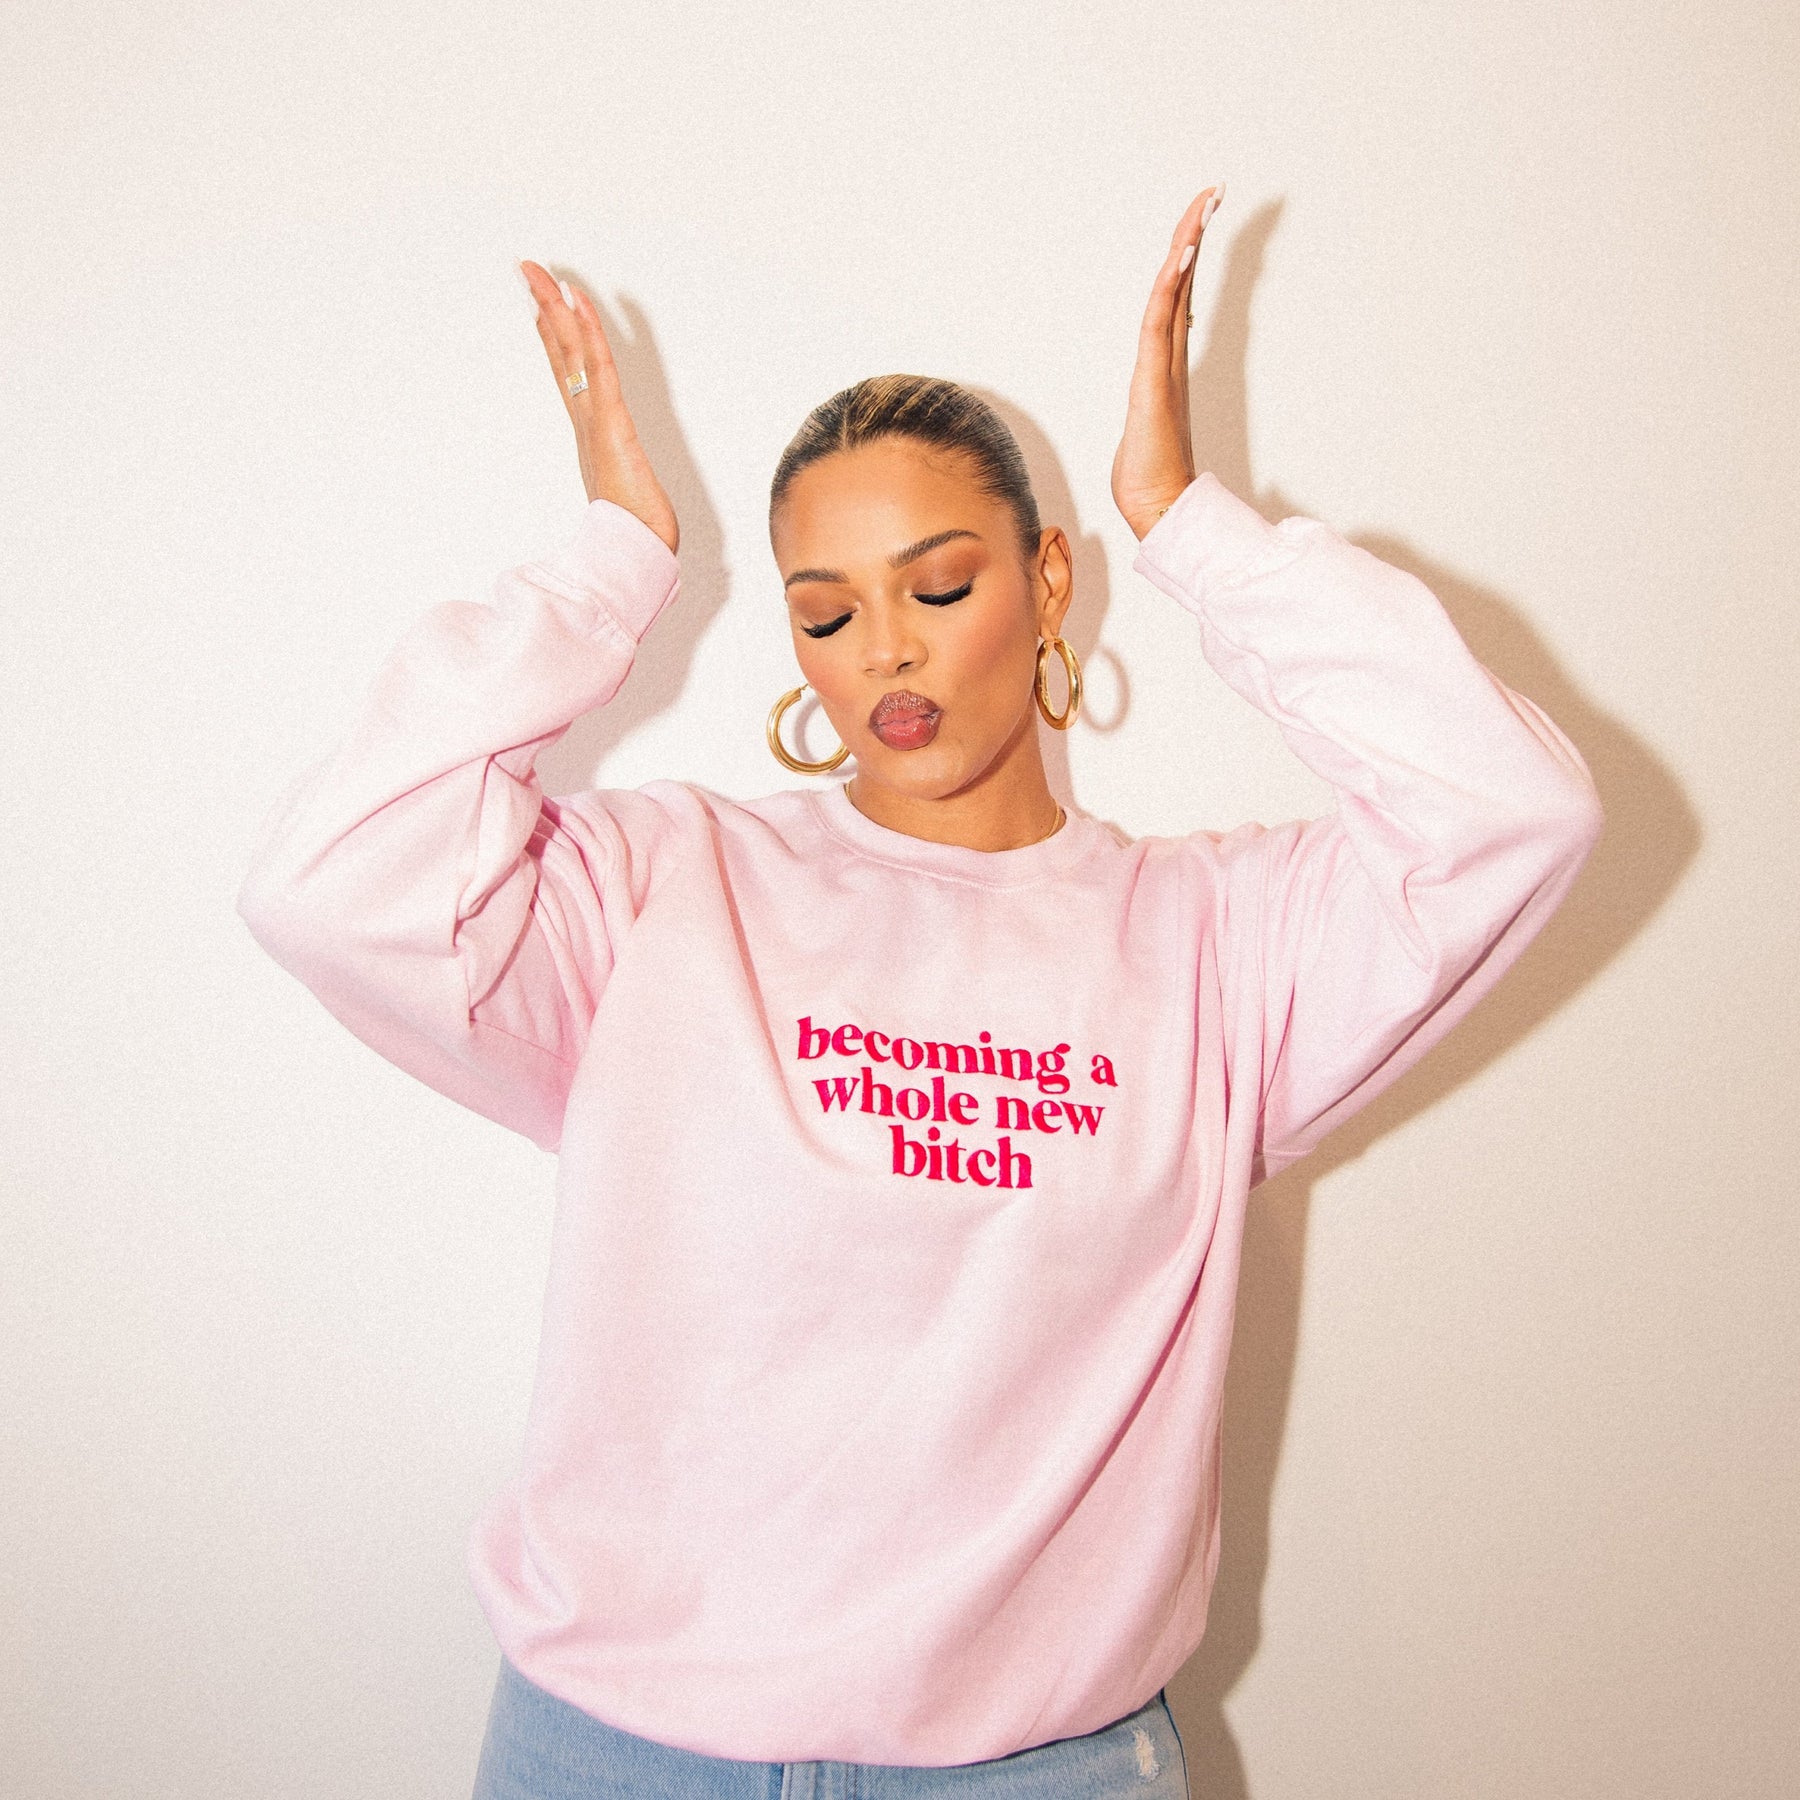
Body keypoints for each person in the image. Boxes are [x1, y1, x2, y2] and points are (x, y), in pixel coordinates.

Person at [235, 184, 1604, 1797]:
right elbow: (328, 882)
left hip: (1036, 1770)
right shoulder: (662, 885)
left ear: (1048, 582)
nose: (883, 649)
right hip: (619, 1755)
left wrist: (1189, 528)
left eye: (939, 589)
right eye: (826, 612)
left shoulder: (1219, 943)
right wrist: (608, 569)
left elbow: (1512, 813)